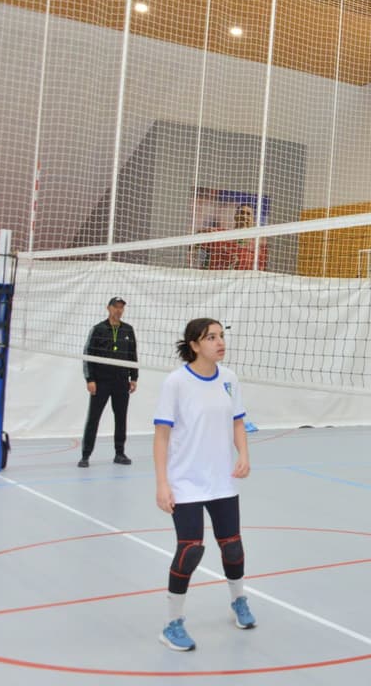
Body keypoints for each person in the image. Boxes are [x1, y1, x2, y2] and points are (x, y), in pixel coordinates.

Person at [153, 318, 255, 652]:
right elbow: (162, 435)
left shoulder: (229, 379)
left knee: (233, 546)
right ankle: (172, 623)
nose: (219, 342)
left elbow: (237, 422)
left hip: (222, 480)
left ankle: (238, 600)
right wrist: (162, 484)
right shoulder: (176, 383)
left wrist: (244, 454)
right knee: (190, 549)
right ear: (195, 345)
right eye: (211, 337)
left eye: (221, 335)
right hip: (185, 482)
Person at [79, 297, 139, 467]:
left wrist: (134, 377)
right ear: (108, 308)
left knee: (121, 418)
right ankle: (85, 455)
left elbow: (132, 355)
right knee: (93, 418)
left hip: (121, 382)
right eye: (115, 307)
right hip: (101, 382)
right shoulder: (98, 329)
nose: (118, 310)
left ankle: (119, 453)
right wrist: (90, 379)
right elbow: (88, 355)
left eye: (121, 307)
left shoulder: (128, 330)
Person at [205, 204, 269, 272]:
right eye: (241, 213)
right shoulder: (220, 235)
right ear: (235, 216)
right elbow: (196, 241)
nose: (244, 216)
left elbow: (262, 270)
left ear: (252, 219)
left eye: (248, 214)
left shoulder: (259, 245)